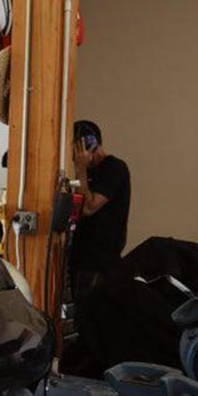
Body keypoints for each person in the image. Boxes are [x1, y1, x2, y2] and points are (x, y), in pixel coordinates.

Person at [70, 119, 131, 308]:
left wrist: (80, 169)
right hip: (81, 262)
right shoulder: (90, 174)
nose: (72, 155)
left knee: (90, 323)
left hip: (98, 265)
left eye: (73, 149)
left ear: (88, 144)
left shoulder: (114, 168)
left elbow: (88, 207)